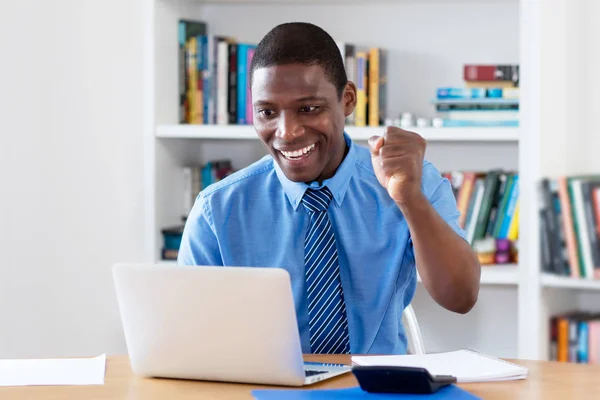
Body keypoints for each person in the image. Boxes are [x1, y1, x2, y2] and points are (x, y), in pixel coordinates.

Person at [178, 22, 481, 355]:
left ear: (347, 99)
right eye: (267, 112)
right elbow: (191, 338)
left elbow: (460, 297)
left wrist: (409, 200)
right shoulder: (216, 210)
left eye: (308, 109)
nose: (287, 132)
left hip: (378, 388)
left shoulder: (412, 180)